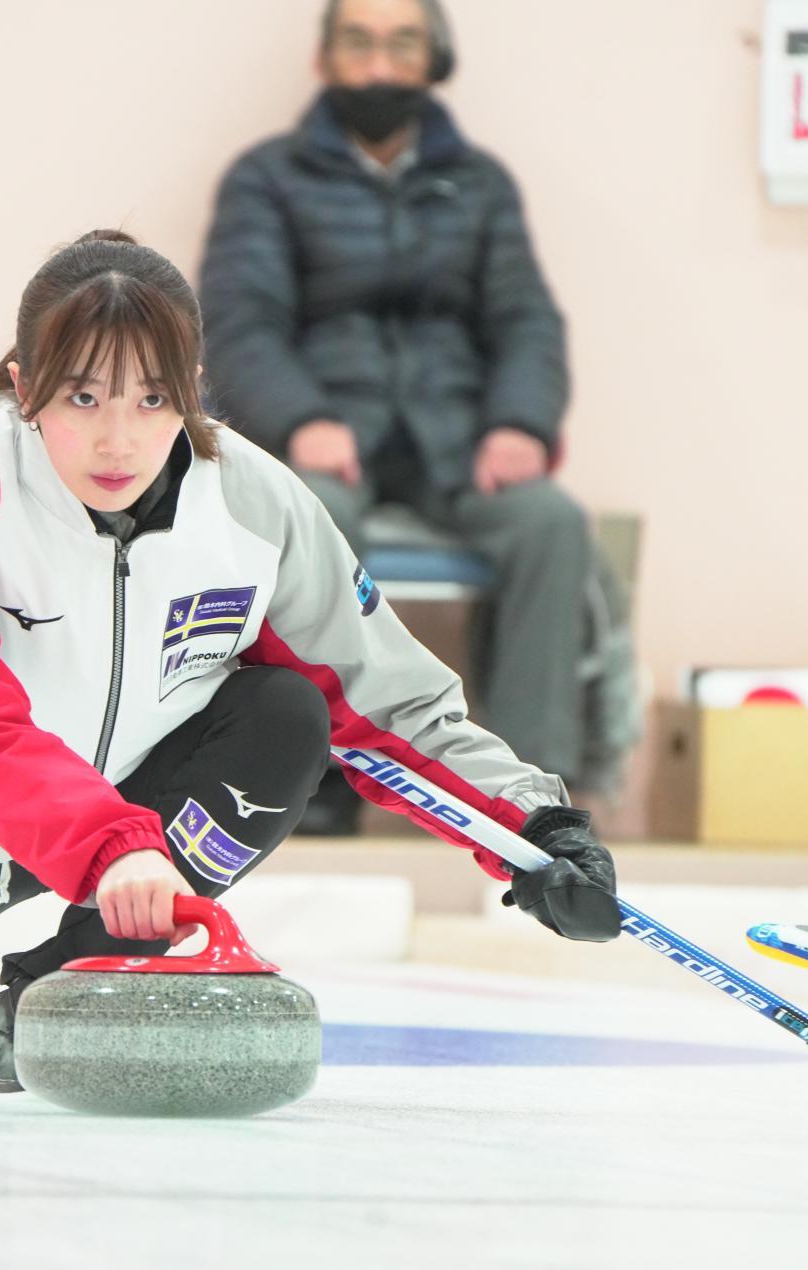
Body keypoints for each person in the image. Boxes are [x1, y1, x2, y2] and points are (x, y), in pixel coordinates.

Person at [0, 231, 621, 1092]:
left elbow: (382, 694)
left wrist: (533, 832)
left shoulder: (255, 505)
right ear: (25, 387)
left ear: (194, 394)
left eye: (153, 399)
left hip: (121, 834)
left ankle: (62, 993)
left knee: (287, 716)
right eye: (82, 397)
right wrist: (108, 845)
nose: (118, 441)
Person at [198, 0, 587, 834]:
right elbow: (239, 324)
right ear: (324, 59)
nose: (378, 66)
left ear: (432, 61)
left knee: (552, 522)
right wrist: (300, 418)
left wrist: (519, 422)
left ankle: (532, 804)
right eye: (359, 43)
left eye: (401, 43)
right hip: (327, 442)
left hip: (459, 441)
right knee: (315, 524)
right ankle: (316, 780)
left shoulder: (481, 184)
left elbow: (526, 321)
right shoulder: (266, 178)